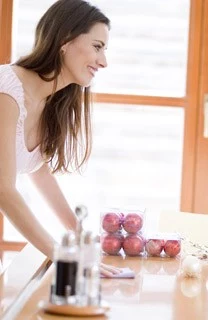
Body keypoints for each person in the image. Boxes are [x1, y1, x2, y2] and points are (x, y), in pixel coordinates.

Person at [0, 0, 119, 277]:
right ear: (65, 40)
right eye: (97, 47)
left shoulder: (48, 102)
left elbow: (38, 170)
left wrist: (79, 236)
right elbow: (4, 190)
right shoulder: (7, 93)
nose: (103, 62)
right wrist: (62, 256)